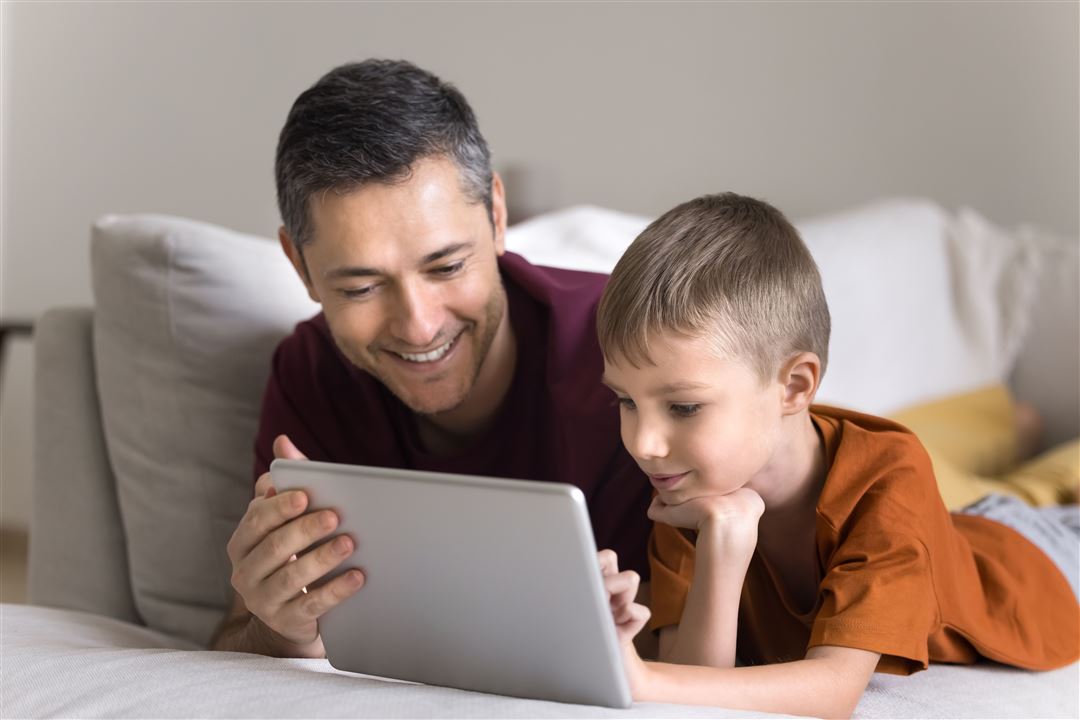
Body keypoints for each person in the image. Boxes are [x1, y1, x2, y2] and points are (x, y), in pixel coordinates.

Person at [209, 59, 652, 656]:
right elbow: (235, 638)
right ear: (300, 267)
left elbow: (717, 648)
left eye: (446, 266)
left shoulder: (630, 353)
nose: (419, 326)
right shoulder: (309, 372)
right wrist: (279, 627)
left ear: (496, 216)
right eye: (361, 288)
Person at [594, 193, 1080, 717]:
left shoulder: (885, 475)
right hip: (956, 521)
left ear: (794, 387)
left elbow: (834, 690)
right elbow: (700, 689)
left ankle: (1017, 426)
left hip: (1039, 554)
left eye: (684, 407)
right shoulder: (692, 487)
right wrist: (722, 547)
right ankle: (1014, 426)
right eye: (625, 401)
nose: (643, 444)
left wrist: (641, 680)